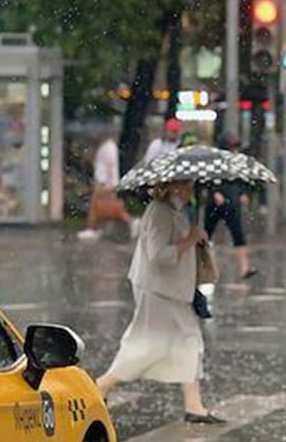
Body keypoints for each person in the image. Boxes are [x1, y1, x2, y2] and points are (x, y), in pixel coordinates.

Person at [95, 180, 225, 425]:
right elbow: (159, 256)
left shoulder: (174, 211)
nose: (191, 189)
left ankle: (194, 405)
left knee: (187, 341)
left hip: (172, 290)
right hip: (157, 291)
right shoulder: (160, 212)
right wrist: (190, 239)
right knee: (148, 344)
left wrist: (195, 238)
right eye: (187, 185)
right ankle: (102, 384)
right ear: (174, 186)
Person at [203, 133, 257, 281]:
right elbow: (207, 179)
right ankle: (203, 265)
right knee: (206, 234)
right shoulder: (213, 161)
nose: (234, 149)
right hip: (215, 204)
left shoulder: (239, 162)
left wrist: (243, 193)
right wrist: (215, 192)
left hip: (232, 202)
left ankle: (244, 268)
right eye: (231, 146)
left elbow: (244, 180)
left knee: (238, 234)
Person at [79, 133, 136, 241]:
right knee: (108, 208)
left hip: (105, 183)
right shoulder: (107, 147)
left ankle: (92, 228)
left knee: (102, 207)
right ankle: (130, 223)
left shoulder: (108, 147)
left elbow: (110, 166)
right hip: (106, 183)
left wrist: (107, 183)